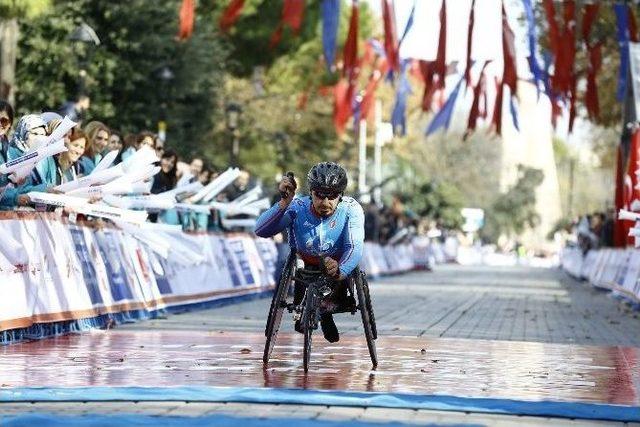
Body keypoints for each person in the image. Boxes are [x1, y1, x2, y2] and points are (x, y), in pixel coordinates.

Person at [254, 162, 365, 343]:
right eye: (320, 196)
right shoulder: (297, 207)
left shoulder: (351, 209)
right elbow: (261, 230)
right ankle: (312, 308)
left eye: (332, 196)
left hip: (336, 263)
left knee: (339, 270)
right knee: (300, 269)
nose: (325, 202)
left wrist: (340, 270)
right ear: (311, 192)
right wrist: (283, 202)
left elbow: (355, 246)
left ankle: (326, 310)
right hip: (305, 262)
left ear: (341, 196)